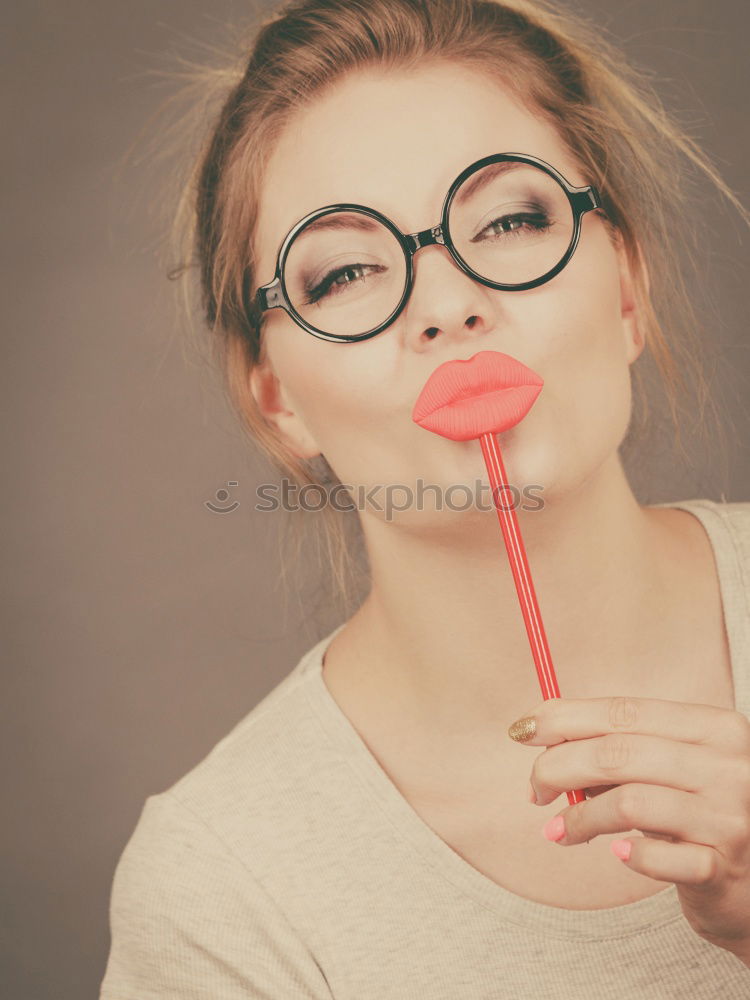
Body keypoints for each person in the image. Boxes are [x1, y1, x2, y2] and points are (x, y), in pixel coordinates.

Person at [100, 0, 750, 995]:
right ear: (276, 399)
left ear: (627, 286)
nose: (448, 304)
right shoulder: (220, 890)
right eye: (349, 271)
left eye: (509, 218)